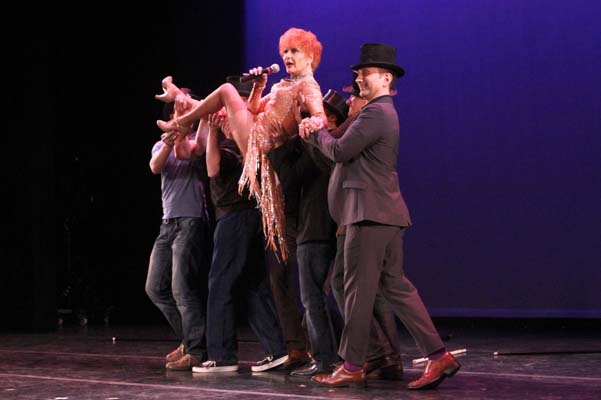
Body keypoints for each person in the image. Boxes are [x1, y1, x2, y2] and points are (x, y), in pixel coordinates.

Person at [303, 43, 461, 389]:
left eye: (366, 73)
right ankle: (439, 356)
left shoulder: (377, 113)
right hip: (380, 214)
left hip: (369, 215)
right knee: (396, 287)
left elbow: (340, 151)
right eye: (358, 73)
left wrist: (317, 132)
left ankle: (353, 364)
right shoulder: (376, 112)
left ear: (386, 77)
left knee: (356, 290)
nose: (359, 78)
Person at [155, 27, 328, 263]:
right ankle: (180, 105)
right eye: (285, 51)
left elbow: (321, 115)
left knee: (227, 91)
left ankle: (178, 122)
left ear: (309, 56)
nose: (287, 56)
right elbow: (254, 109)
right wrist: (259, 85)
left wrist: (312, 121)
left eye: (294, 51)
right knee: (216, 110)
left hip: (262, 144)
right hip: (254, 133)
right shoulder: (282, 86)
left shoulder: (309, 86)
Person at [174, 76, 289, 373]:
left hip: (236, 216)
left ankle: (222, 356)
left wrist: (211, 130)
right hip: (247, 215)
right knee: (253, 285)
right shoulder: (240, 132)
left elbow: (212, 168)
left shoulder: (236, 137)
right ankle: (277, 350)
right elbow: (191, 150)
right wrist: (190, 118)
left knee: (220, 282)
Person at [329, 79, 405, 381]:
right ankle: (383, 357)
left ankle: (374, 355)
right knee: (376, 288)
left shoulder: (369, 119)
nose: (350, 102)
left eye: (354, 98)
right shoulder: (361, 122)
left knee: (353, 284)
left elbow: (334, 147)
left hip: (362, 216)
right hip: (353, 215)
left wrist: (312, 127)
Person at [275, 89, 348, 377]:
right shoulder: (319, 147)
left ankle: (326, 360)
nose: (316, 120)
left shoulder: (331, 147)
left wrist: (303, 139)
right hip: (317, 231)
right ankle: (338, 356)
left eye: (326, 116)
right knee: (320, 299)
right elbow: (289, 176)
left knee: (313, 299)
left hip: (319, 231)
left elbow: (292, 177)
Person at [146, 89, 212, 371]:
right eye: (176, 112)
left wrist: (180, 139)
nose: (179, 116)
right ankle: (188, 339)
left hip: (191, 220)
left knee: (181, 288)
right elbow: (154, 167)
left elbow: (191, 156)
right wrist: (168, 143)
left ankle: (197, 351)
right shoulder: (160, 144)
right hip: (167, 223)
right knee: (155, 288)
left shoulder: (198, 142)